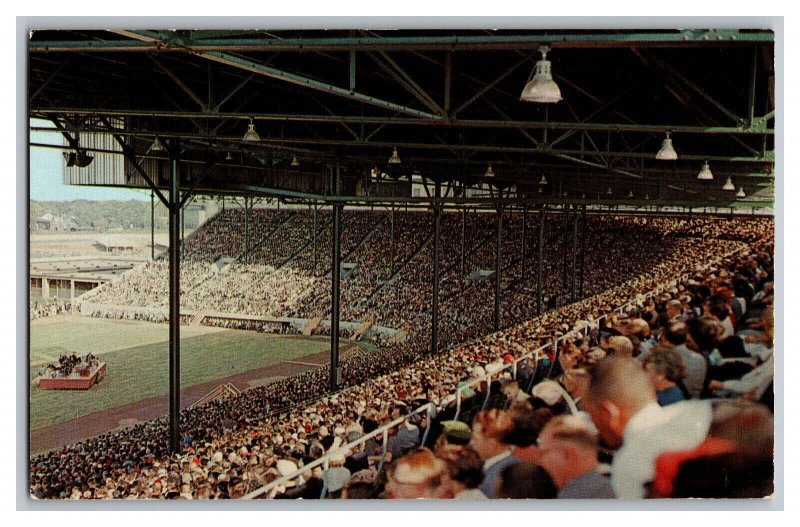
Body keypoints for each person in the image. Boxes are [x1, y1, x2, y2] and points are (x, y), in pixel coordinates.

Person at [582, 356, 713, 499]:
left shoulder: (629, 462)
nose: (595, 427)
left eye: (592, 415)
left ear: (609, 413)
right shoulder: (701, 413)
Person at [536, 415, 615, 499]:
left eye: (543, 453)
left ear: (568, 454)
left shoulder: (575, 495)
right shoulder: (618, 483)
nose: (540, 461)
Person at [469, 409, 520, 498]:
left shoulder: (493, 481)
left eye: (475, 439)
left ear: (492, 444)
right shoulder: (514, 461)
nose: (471, 443)